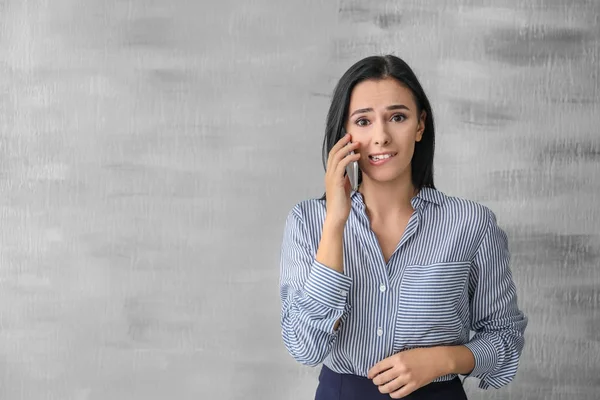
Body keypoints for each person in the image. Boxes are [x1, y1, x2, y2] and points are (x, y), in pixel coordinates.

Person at [279, 54, 528, 399]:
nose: (381, 136)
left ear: (420, 124)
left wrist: (443, 360)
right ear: (345, 134)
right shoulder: (307, 222)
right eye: (363, 121)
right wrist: (335, 223)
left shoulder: (471, 224)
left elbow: (505, 338)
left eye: (397, 117)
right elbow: (305, 348)